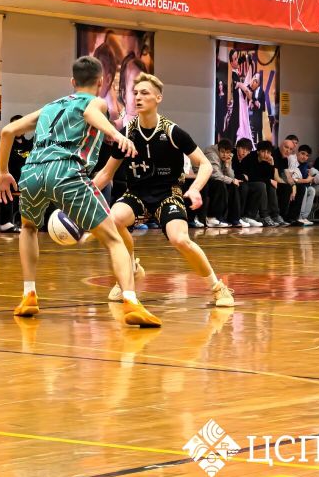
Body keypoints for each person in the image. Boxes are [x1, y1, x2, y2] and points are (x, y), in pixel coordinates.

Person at [0, 56, 161, 327]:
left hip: (33, 172)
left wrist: (2, 172)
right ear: (101, 82)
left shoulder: (50, 107)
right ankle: (131, 301)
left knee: (28, 228)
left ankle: (29, 295)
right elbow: (90, 114)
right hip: (66, 171)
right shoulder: (96, 102)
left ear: (72, 81)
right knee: (114, 240)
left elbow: (8, 131)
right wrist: (116, 134)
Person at [94, 73, 235, 308]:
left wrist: (195, 189)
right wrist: (82, 194)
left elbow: (206, 164)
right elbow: (106, 174)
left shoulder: (172, 132)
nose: (138, 97)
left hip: (168, 194)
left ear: (158, 98)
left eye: (144, 93)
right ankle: (131, 269)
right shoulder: (127, 134)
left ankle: (218, 287)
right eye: (135, 93)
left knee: (180, 239)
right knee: (113, 219)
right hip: (136, 194)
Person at [0, 114, 33, 231]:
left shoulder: (29, 144)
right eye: (15, 125)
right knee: (6, 184)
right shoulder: (4, 141)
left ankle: (43, 222)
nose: (18, 128)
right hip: (10, 177)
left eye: (20, 125)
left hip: (27, 179)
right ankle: (6, 223)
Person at [238, 140, 286, 227]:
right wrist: (268, 181)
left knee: (271, 186)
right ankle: (264, 216)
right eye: (263, 151)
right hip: (246, 182)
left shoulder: (268, 160)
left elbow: (269, 177)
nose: (265, 154)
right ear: (258, 151)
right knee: (262, 185)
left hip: (258, 183)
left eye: (268, 152)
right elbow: (250, 177)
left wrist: (272, 165)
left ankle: (275, 215)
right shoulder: (250, 158)